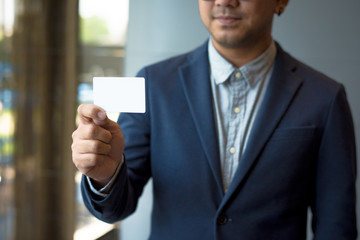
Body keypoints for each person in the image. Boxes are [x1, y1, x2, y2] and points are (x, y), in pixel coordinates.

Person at [71, 0, 357, 239]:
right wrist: (104, 175)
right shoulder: (154, 83)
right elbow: (117, 206)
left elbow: (336, 226)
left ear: (280, 1)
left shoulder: (325, 98)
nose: (224, 1)